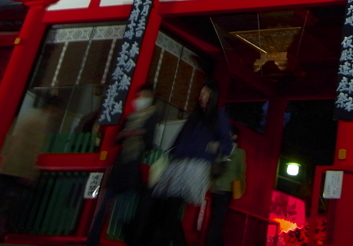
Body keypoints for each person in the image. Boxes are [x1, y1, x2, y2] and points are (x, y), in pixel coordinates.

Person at [129, 81, 231, 246]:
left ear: (213, 97)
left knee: (171, 206)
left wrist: (218, 145)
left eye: (206, 94)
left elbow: (226, 143)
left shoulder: (218, 115)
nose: (202, 98)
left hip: (196, 166)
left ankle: (161, 241)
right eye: (201, 94)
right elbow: (179, 140)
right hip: (178, 163)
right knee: (167, 207)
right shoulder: (195, 116)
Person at [0, 95, 62, 246]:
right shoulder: (40, 122)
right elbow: (31, 148)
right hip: (17, 168)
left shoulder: (27, 115)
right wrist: (29, 172)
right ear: (53, 108)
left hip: (8, 165)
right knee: (5, 203)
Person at [86, 83, 158, 246]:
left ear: (151, 98)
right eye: (140, 96)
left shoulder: (152, 118)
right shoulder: (130, 117)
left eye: (145, 96)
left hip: (133, 169)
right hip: (120, 166)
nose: (141, 99)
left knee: (123, 213)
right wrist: (127, 133)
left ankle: (123, 240)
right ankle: (92, 240)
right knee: (103, 206)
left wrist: (139, 134)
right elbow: (118, 137)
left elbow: (149, 143)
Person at [205, 125, 246, 246]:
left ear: (235, 136)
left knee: (217, 219)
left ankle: (210, 243)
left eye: (230, 133)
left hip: (227, 188)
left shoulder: (239, 152)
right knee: (216, 219)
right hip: (216, 187)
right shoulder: (221, 149)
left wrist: (240, 189)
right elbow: (213, 167)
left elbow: (241, 172)